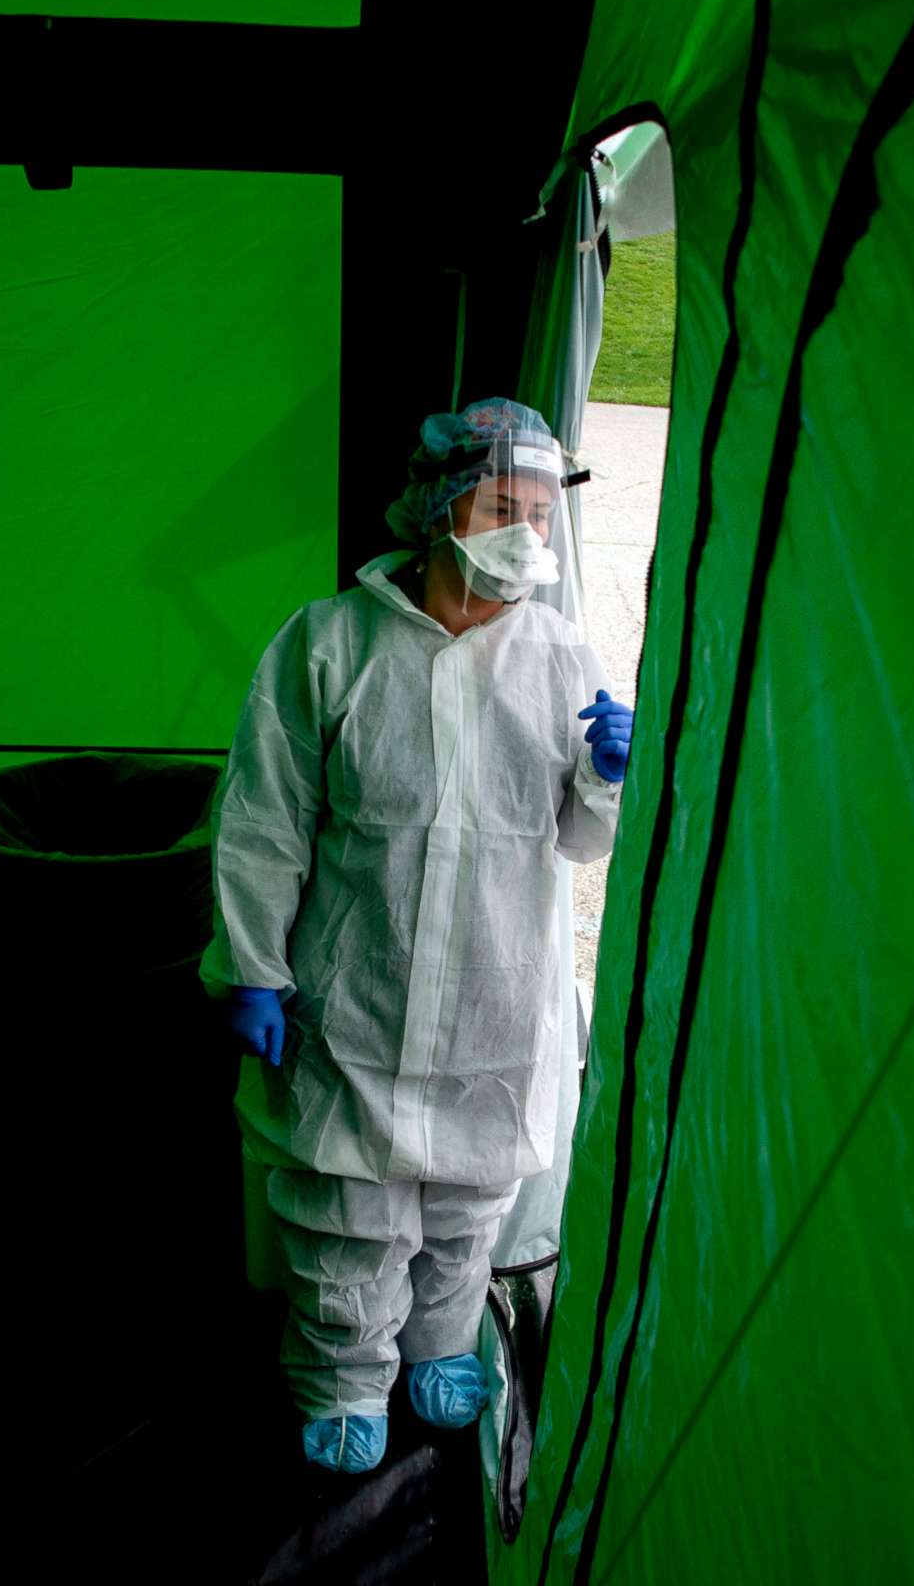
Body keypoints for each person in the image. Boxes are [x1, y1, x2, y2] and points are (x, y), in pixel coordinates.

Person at [202, 397, 635, 1474]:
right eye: (502, 504)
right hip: (359, 994)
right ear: (442, 509)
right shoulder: (330, 643)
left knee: (465, 1208)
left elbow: (580, 841)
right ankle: (343, 1373)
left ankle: (442, 1340)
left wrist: (612, 774)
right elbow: (263, 820)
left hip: (497, 999)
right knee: (346, 1214)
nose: (525, 532)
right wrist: (251, 970)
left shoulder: (558, 657)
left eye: (541, 513)